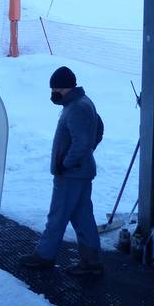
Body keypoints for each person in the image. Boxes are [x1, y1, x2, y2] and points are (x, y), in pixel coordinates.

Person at [20, 66, 104, 275]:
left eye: (56, 88)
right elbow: (97, 130)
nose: (53, 92)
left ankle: (44, 256)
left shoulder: (77, 107)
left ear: (67, 87)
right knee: (83, 218)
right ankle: (91, 263)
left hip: (71, 174)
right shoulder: (79, 103)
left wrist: (66, 163)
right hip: (80, 171)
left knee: (57, 216)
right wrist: (84, 154)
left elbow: (82, 141)